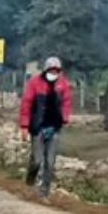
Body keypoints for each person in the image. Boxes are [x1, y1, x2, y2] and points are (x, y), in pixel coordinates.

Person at [20, 56, 73, 201]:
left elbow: (67, 103)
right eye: (51, 70)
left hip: (54, 127)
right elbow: (26, 104)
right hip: (37, 128)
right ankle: (29, 184)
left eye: (56, 71)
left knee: (50, 163)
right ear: (46, 70)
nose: (54, 73)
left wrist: (66, 116)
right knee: (36, 160)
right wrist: (24, 126)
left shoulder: (63, 85)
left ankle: (44, 193)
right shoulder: (34, 83)